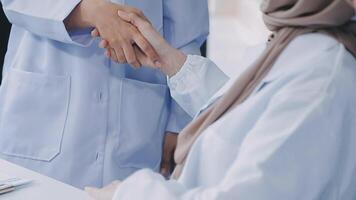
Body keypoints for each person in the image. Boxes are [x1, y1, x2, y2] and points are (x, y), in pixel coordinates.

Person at [85, 0, 356, 199]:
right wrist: (170, 62)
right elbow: (248, 113)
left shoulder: (322, 81)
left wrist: (128, 193)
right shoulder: (295, 42)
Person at [0, 0, 208, 188]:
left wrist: (179, 122)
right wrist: (90, 11)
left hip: (137, 109)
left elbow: (186, 31)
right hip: (42, 92)